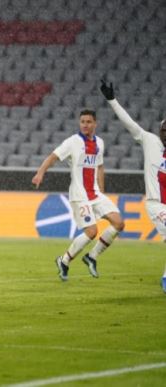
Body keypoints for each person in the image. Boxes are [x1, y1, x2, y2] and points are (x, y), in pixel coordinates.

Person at [32, 109, 125, 281]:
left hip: (95, 194)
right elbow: (53, 157)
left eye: (89, 122)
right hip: (79, 195)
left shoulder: (100, 143)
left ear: (95, 124)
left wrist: (101, 191)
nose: (85, 125)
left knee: (119, 223)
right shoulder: (73, 142)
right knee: (92, 232)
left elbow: (100, 167)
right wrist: (40, 173)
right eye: (82, 121)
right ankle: (64, 260)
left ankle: (92, 256)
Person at [100, 79, 166, 293]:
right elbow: (130, 124)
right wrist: (112, 101)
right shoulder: (150, 141)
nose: (165, 133)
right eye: (164, 129)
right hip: (157, 205)